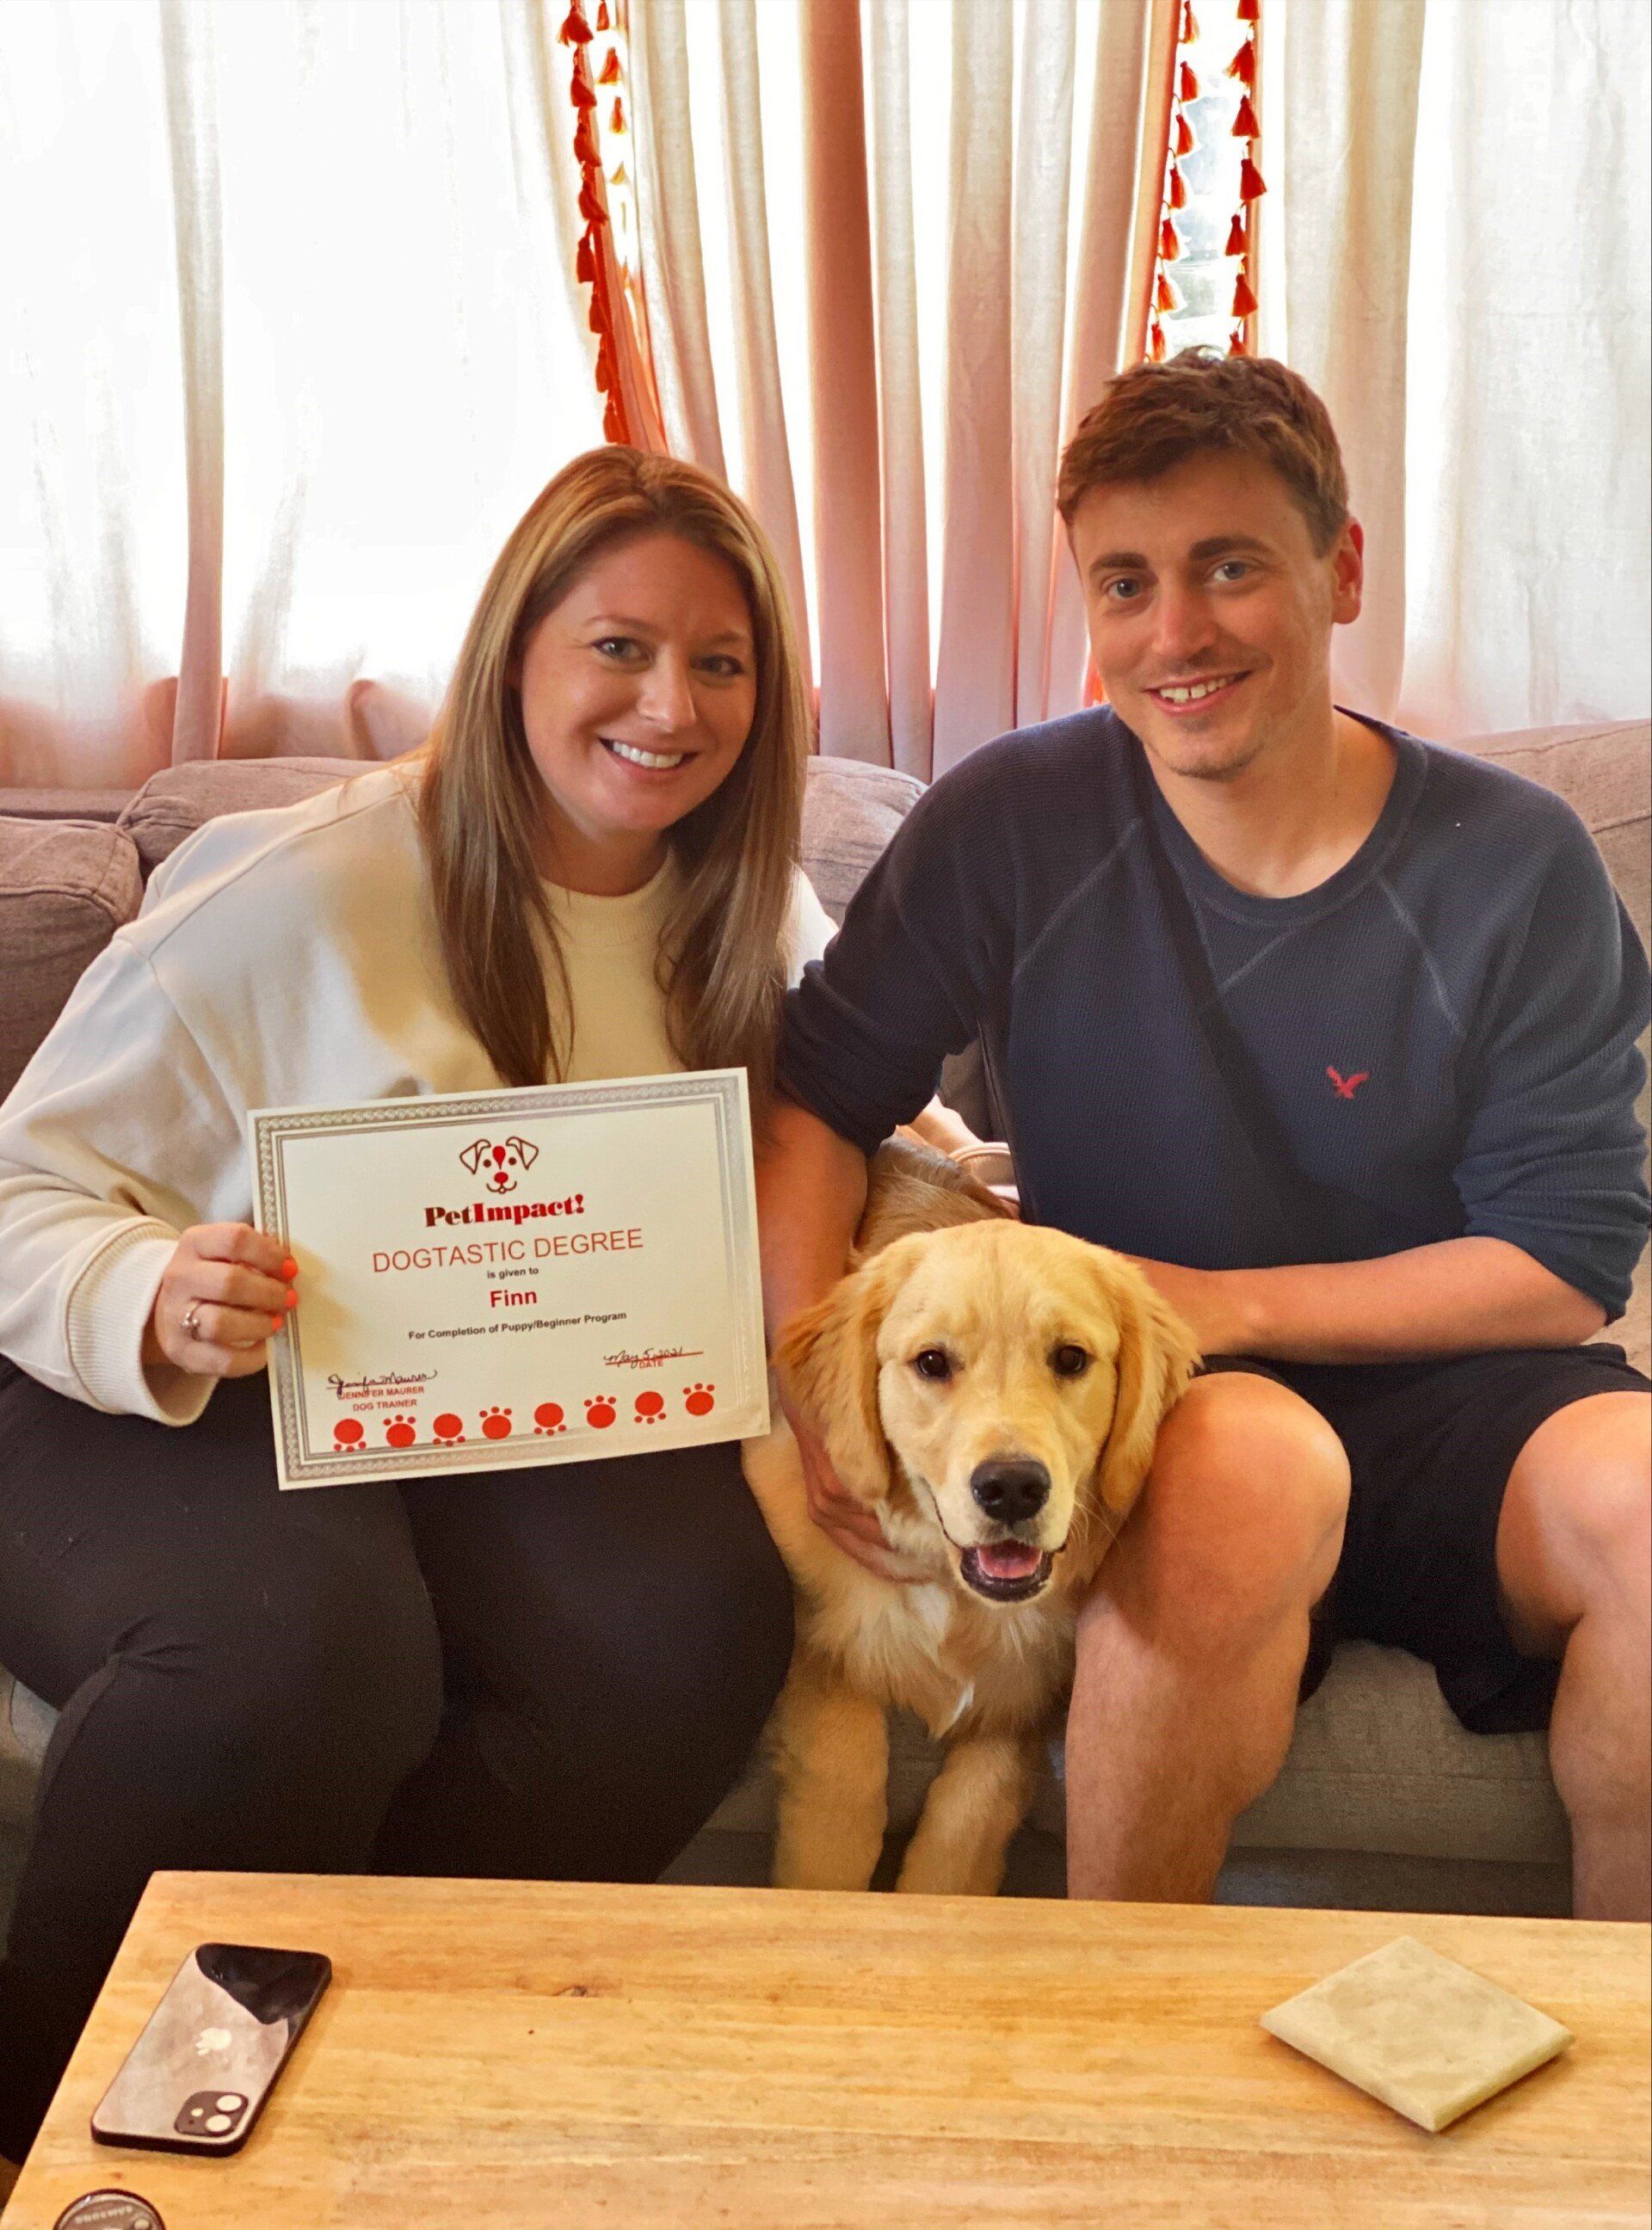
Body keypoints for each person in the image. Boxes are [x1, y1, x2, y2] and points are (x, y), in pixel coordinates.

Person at [0, 447, 841, 2155]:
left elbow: (860, 1140)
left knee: (691, 1627)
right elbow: (20, 1189)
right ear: (515, 652)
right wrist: (150, 1289)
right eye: (619, 648)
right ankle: (51, 2129)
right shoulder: (299, 887)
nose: (670, 707)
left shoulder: (753, 913)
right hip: (176, 1400)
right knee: (310, 1654)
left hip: (482, 1422)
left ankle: (343, 2080)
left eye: (721, 662)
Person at [757, 352, 1652, 1923]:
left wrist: (1217, 1301)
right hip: (1171, 1411)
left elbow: (1564, 1260)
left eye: (1230, 567)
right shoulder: (1011, 821)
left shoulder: (1516, 862)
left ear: (1340, 570)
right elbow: (822, 1092)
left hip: (1469, 1401)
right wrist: (812, 1388)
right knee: (1243, 1469)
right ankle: (1119, 2025)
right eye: (1127, 583)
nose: (1176, 633)